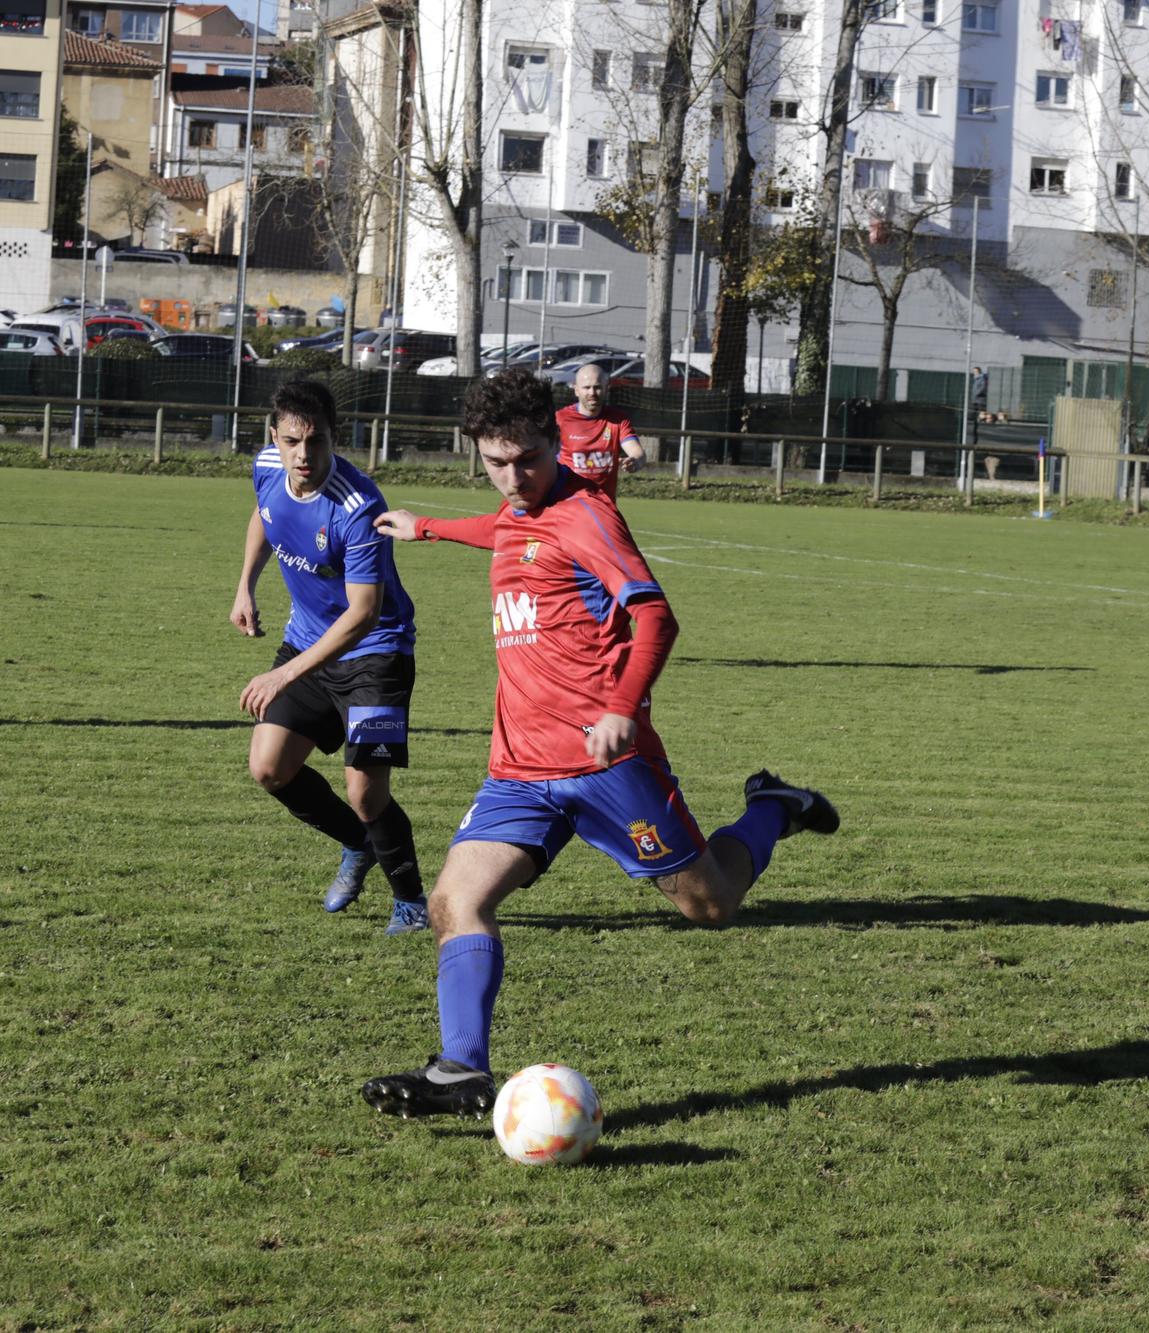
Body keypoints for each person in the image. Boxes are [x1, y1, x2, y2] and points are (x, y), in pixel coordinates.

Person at [359, 369, 840, 1117]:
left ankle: (774, 806)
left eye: (527, 460)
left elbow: (656, 616)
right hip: (519, 766)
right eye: (495, 462)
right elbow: (506, 529)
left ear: (556, 442)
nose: (513, 477)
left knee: (711, 906)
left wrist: (621, 706)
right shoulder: (518, 509)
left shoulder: (588, 515)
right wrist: (427, 527)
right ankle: (461, 1067)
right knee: (457, 900)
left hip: (605, 761)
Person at [231, 379, 429, 936]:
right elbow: (263, 517)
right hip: (306, 643)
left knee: (366, 792)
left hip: (375, 654)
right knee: (269, 768)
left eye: (314, 443)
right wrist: (245, 585)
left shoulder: (358, 506)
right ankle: (356, 843)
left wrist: (284, 674)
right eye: (292, 441)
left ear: (333, 441)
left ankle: (412, 903)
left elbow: (363, 613)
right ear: (275, 436)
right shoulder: (269, 467)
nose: (303, 455)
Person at [554, 363, 645, 497]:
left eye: (597, 387)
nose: (592, 393)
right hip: (570, 504)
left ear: (606, 388)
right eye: (587, 387)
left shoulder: (618, 420)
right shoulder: (560, 419)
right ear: (576, 390)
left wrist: (635, 461)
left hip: (605, 505)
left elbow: (638, 453)